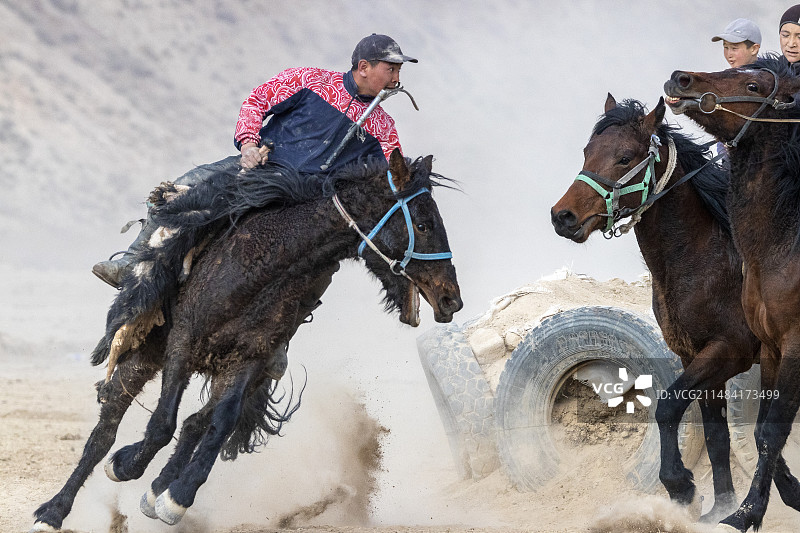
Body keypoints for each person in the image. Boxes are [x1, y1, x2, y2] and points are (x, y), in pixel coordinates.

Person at [92, 33, 417, 289]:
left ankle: (283, 333)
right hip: (263, 168)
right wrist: (249, 144)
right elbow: (256, 101)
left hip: (308, 202)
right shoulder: (310, 81)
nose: (396, 77)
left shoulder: (383, 128)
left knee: (320, 262)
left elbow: (389, 178)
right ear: (363, 67)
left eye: (399, 70)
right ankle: (131, 265)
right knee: (185, 187)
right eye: (391, 68)